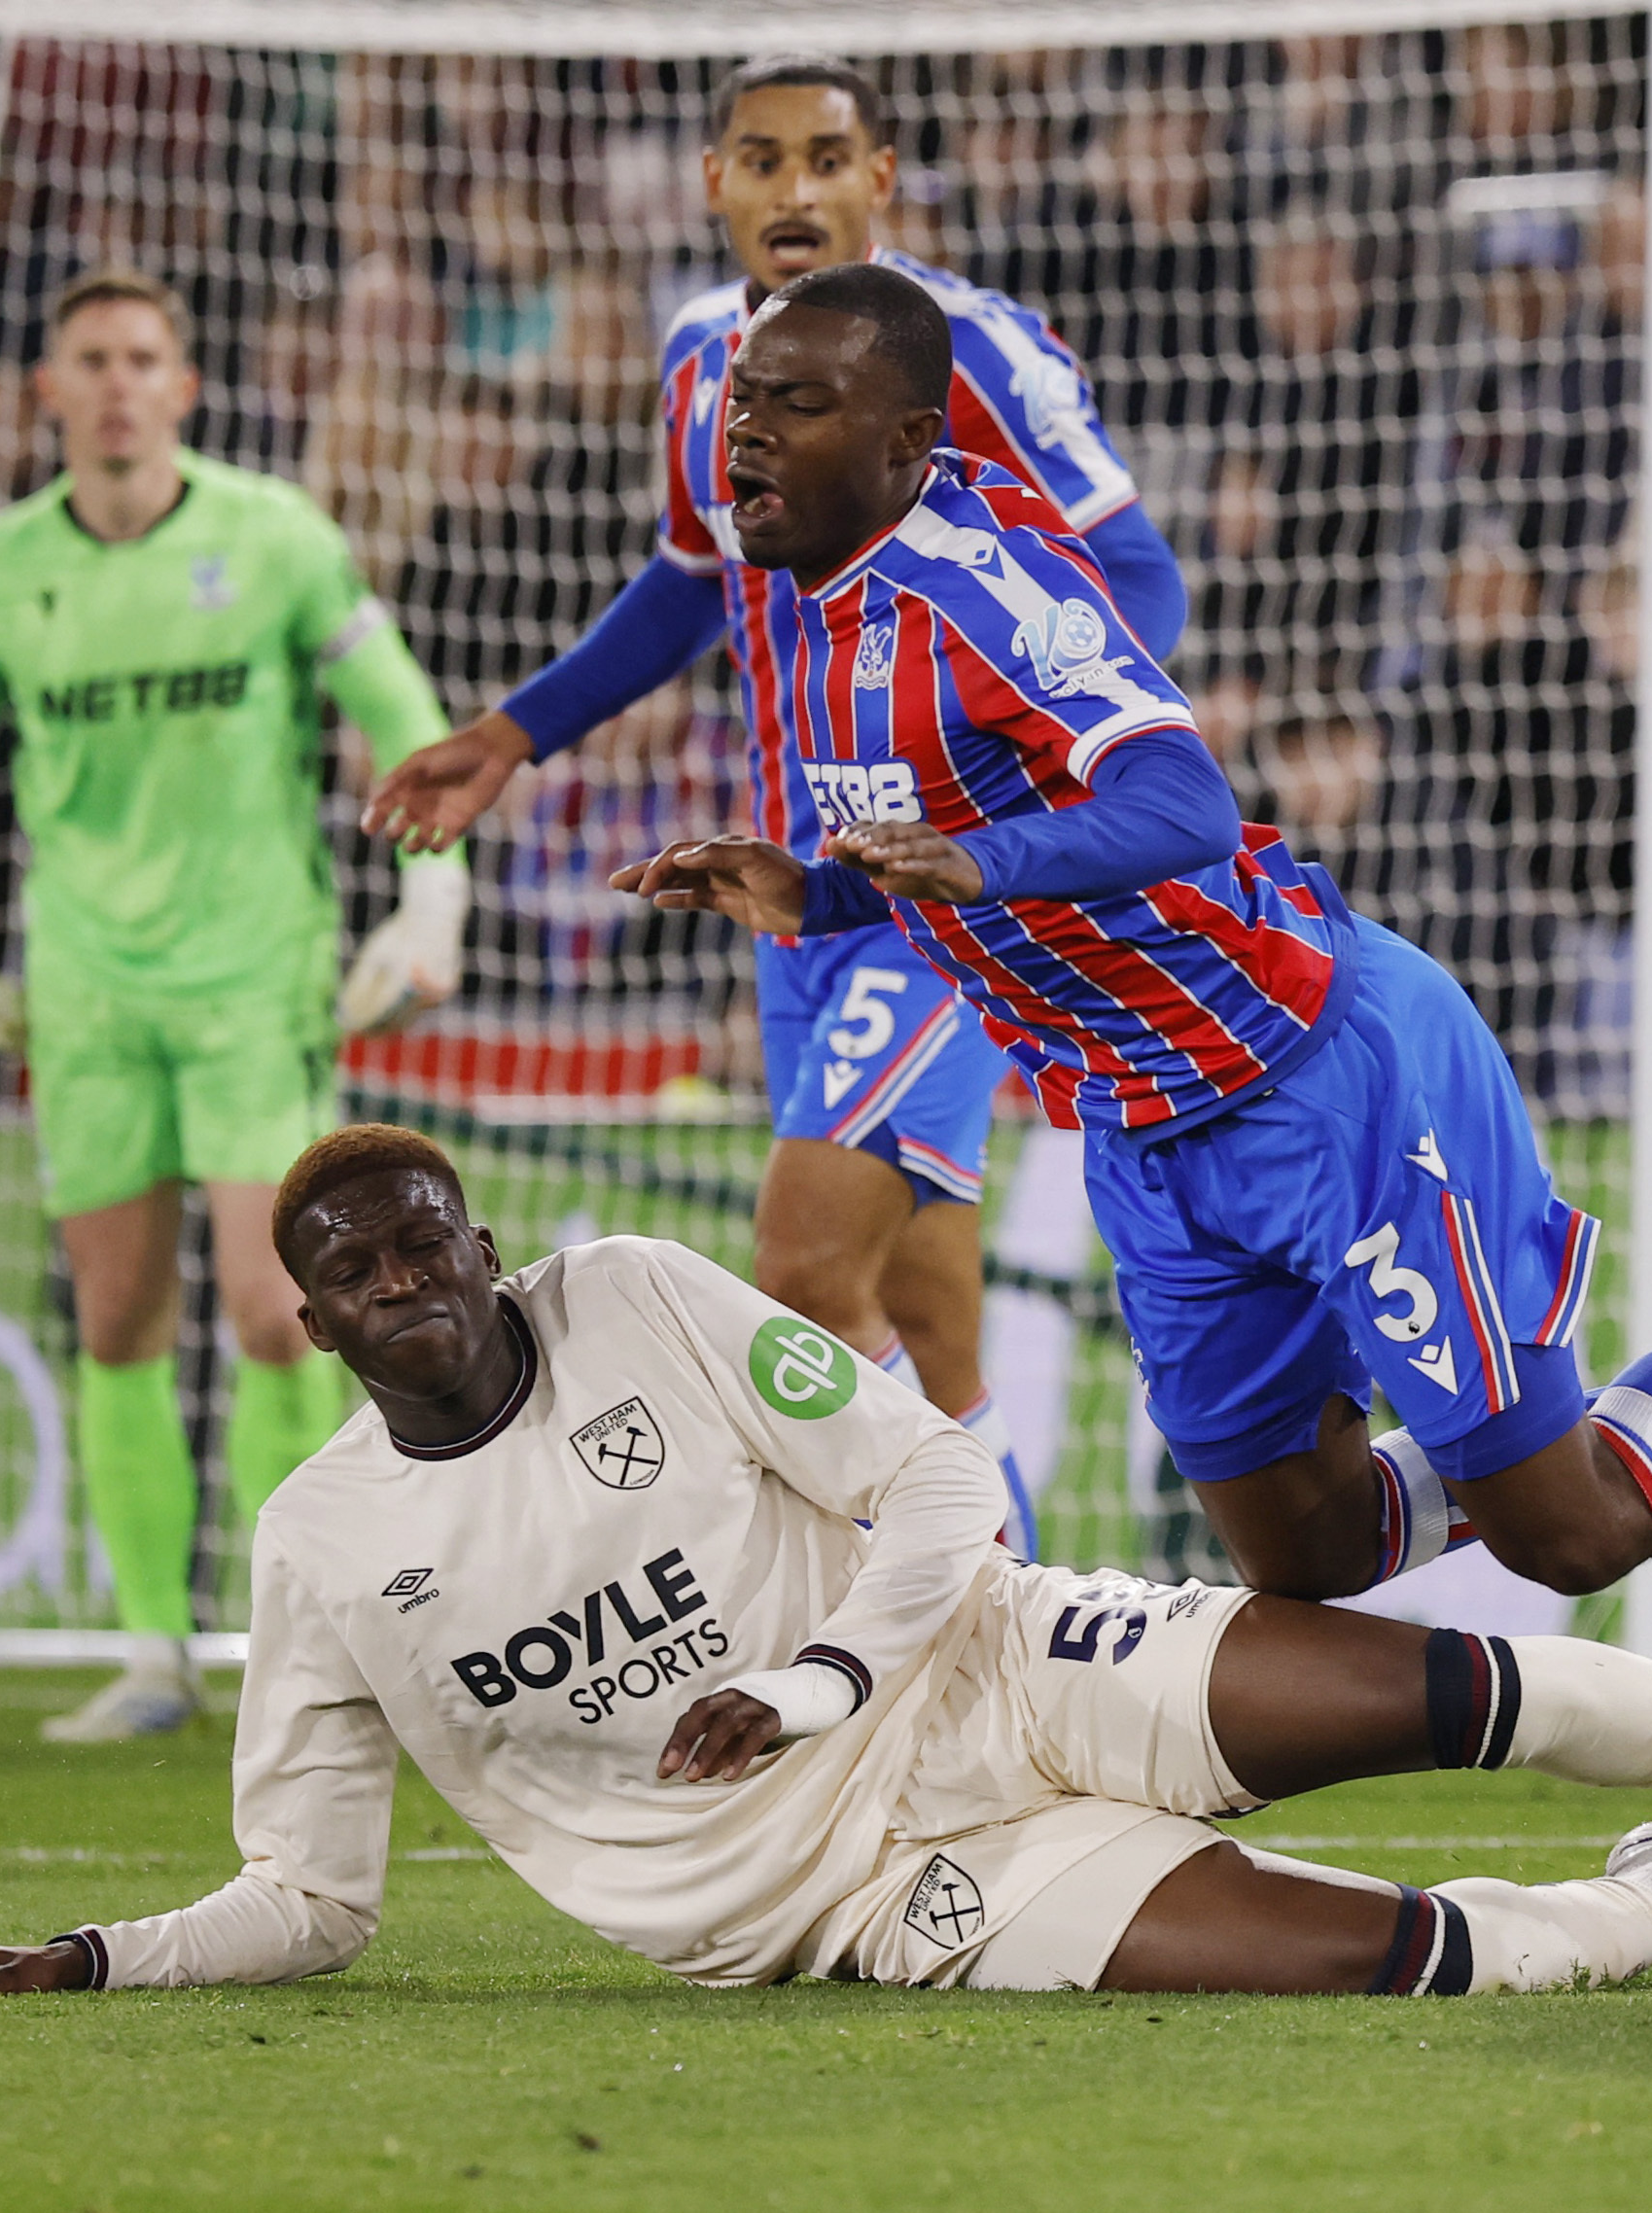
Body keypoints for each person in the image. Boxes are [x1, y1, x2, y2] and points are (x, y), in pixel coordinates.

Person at [526, 263, 1652, 1608]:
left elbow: (1180, 801)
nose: (745, 437)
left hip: (1315, 1079)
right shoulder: (796, 597)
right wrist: (823, 889)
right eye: (742, 405)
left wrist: (975, 861)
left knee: (1575, 1534)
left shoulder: (979, 590)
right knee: (1306, 1555)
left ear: (906, 442)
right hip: (1142, 1133)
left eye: (794, 406)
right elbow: (936, 839)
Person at [0, 1125, 1652, 2001]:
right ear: (312, 1321)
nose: (412, 1280)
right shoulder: (325, 1548)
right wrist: (89, 1960)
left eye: (435, 1237)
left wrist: (841, 1675)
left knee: (1446, 1681)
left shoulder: (638, 1296)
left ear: (483, 1244)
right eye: (358, 1269)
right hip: (851, 1906)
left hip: (985, 1666)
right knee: (1416, 1968)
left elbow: (941, 1484)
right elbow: (318, 1901)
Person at [361, 55, 1189, 1553]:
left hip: (928, 886)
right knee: (926, 1316)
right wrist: (513, 732)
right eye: (761, 161)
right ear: (712, 185)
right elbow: (693, 579)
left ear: (884, 177)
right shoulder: (699, 356)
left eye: (825, 159)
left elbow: (1135, 582)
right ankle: (1018, 1616)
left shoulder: (972, 354)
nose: (793, 191)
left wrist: (1003, 787)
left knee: (804, 1266)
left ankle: (956, 1615)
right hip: (790, 885)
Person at [0, 267, 472, 1741]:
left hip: (251, 973)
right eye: (93, 358)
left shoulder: (275, 540)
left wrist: (431, 898)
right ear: (51, 391)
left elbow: (402, 716)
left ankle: (310, 1638)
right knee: (117, 1314)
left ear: (185, 387)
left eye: (146, 357)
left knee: (282, 1320)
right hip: (82, 989)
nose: (122, 382)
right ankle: (153, 1652)